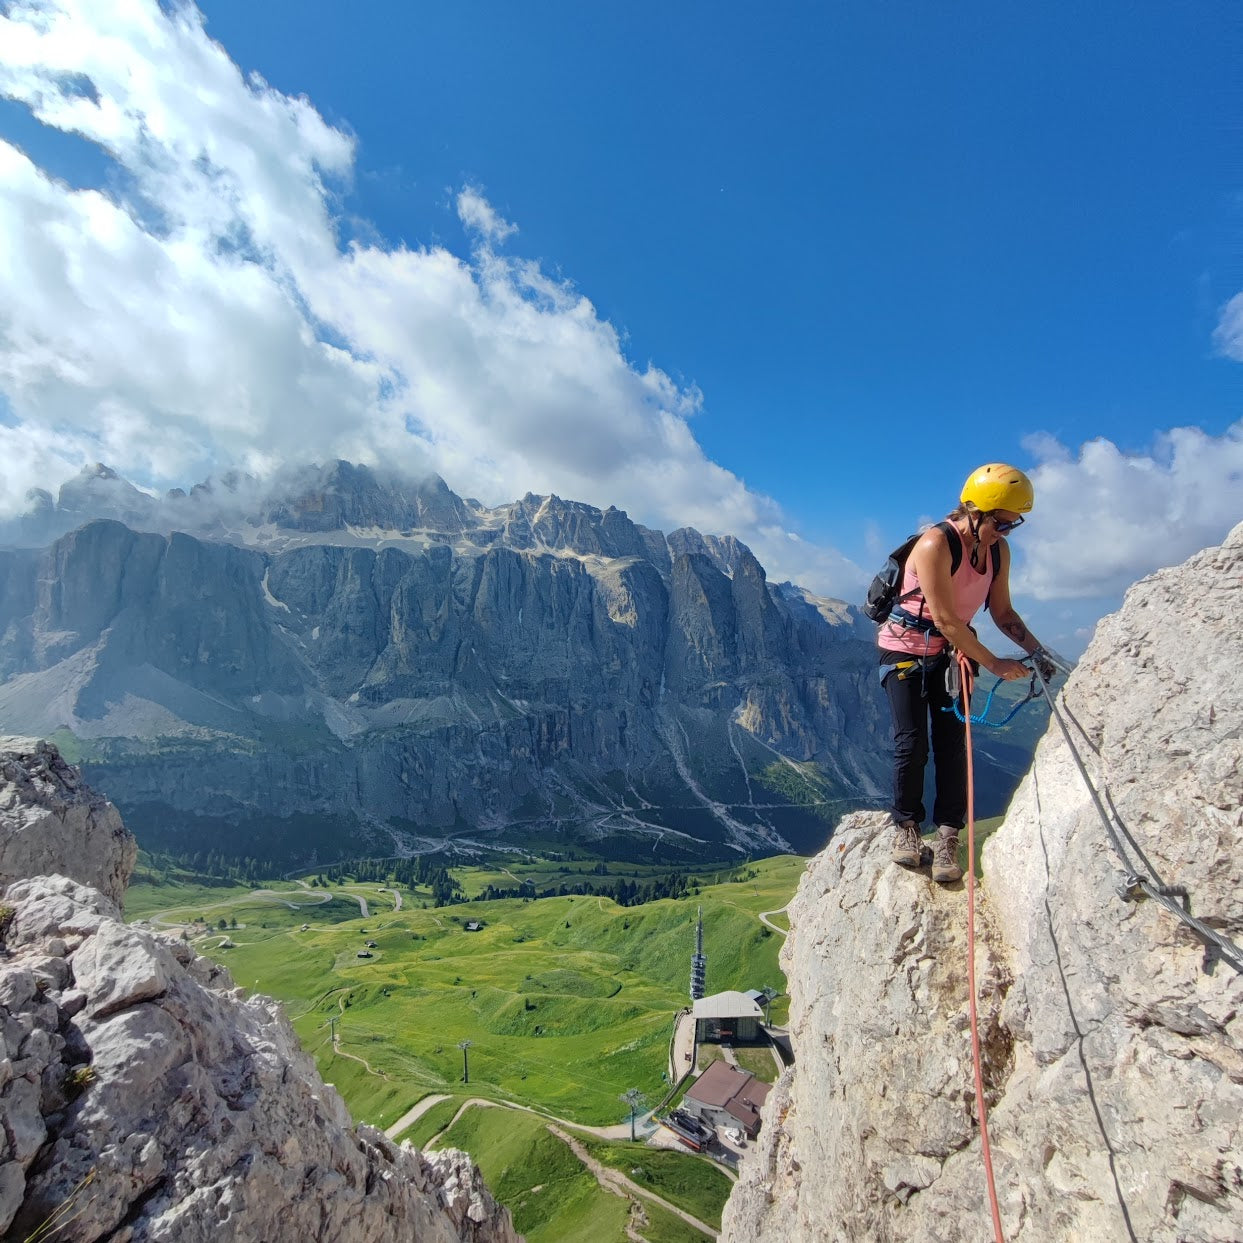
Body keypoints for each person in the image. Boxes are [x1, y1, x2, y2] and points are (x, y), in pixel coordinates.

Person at [877, 463, 1052, 883]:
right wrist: (994, 664)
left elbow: (1003, 611)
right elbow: (946, 619)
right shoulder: (935, 544)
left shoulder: (996, 551)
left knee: (954, 741)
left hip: (953, 649)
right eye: (1000, 523)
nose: (1005, 532)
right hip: (905, 649)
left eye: (1012, 526)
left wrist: (1037, 651)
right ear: (975, 510)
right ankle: (906, 828)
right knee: (912, 741)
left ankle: (949, 837)